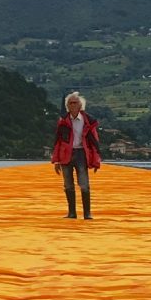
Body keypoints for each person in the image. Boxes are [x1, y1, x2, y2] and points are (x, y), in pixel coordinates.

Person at [51, 91, 101, 219]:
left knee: (84, 184)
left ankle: (87, 213)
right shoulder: (63, 122)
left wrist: (96, 160)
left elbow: (94, 142)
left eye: (75, 102)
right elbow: (58, 141)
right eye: (70, 103)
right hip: (65, 155)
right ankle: (72, 213)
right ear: (67, 105)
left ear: (80, 105)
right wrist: (56, 160)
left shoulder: (88, 121)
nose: (72, 105)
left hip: (81, 154)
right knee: (68, 185)